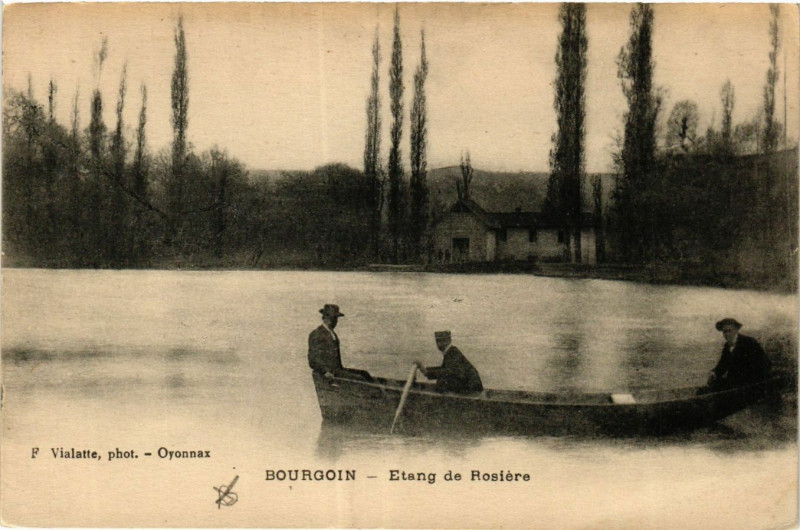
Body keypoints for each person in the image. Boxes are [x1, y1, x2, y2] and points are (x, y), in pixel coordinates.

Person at [308, 304, 372, 382]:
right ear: (327, 318)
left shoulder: (331, 333)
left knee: (364, 374)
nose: (336, 321)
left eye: (336, 318)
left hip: (337, 371)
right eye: (334, 318)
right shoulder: (317, 334)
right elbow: (312, 359)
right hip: (330, 373)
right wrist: (324, 372)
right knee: (359, 378)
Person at [707, 318, 771, 389]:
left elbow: (764, 364)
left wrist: (747, 377)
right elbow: (723, 364)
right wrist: (714, 373)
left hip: (753, 382)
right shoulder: (727, 346)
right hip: (736, 382)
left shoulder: (749, 342)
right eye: (725, 332)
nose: (727, 334)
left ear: (736, 330)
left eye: (729, 331)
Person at [417, 331, 483, 394]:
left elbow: (447, 371)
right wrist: (426, 371)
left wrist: (426, 372)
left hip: (472, 392)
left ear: (449, 341)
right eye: (437, 341)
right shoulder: (451, 352)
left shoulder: (453, 353)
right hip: (470, 389)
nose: (439, 344)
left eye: (442, 340)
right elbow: (446, 370)